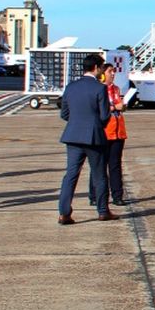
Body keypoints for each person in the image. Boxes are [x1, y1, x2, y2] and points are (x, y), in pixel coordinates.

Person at [58, 53, 111, 224]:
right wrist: (95, 124)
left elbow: (64, 113)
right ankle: (103, 210)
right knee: (99, 175)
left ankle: (64, 212)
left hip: (73, 135)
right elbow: (105, 115)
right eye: (102, 68)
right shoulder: (99, 88)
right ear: (96, 68)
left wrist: (77, 122)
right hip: (94, 136)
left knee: (71, 175)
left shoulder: (71, 87)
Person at [101, 60, 128, 206]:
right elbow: (100, 108)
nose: (112, 74)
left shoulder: (116, 89)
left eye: (113, 71)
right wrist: (114, 107)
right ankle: (96, 195)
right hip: (105, 132)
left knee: (115, 164)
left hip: (118, 132)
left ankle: (118, 195)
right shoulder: (99, 89)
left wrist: (122, 107)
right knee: (100, 165)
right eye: (110, 71)